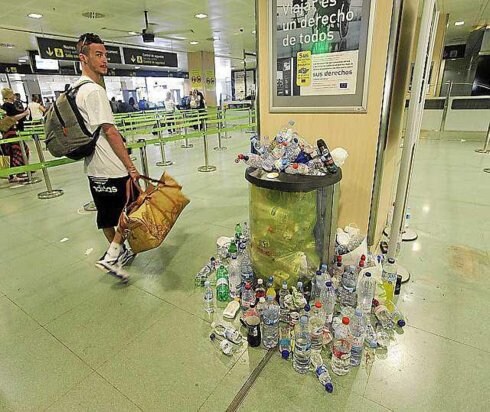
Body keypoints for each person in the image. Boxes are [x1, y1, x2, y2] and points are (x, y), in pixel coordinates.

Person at [75, 32, 141, 281]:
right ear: (83, 58)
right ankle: (111, 257)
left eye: (105, 55)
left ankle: (118, 250)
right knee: (130, 211)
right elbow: (110, 132)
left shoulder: (75, 89)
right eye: (98, 55)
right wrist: (131, 167)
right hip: (113, 168)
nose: (104, 60)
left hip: (93, 169)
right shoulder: (94, 91)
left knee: (106, 215)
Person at [1, 88, 30, 183]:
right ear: (9, 95)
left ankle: (21, 170)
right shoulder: (7, 106)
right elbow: (12, 118)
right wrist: (25, 113)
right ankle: (15, 174)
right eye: (12, 94)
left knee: (22, 150)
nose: (14, 95)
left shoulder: (8, 106)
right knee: (15, 152)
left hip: (12, 132)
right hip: (10, 132)